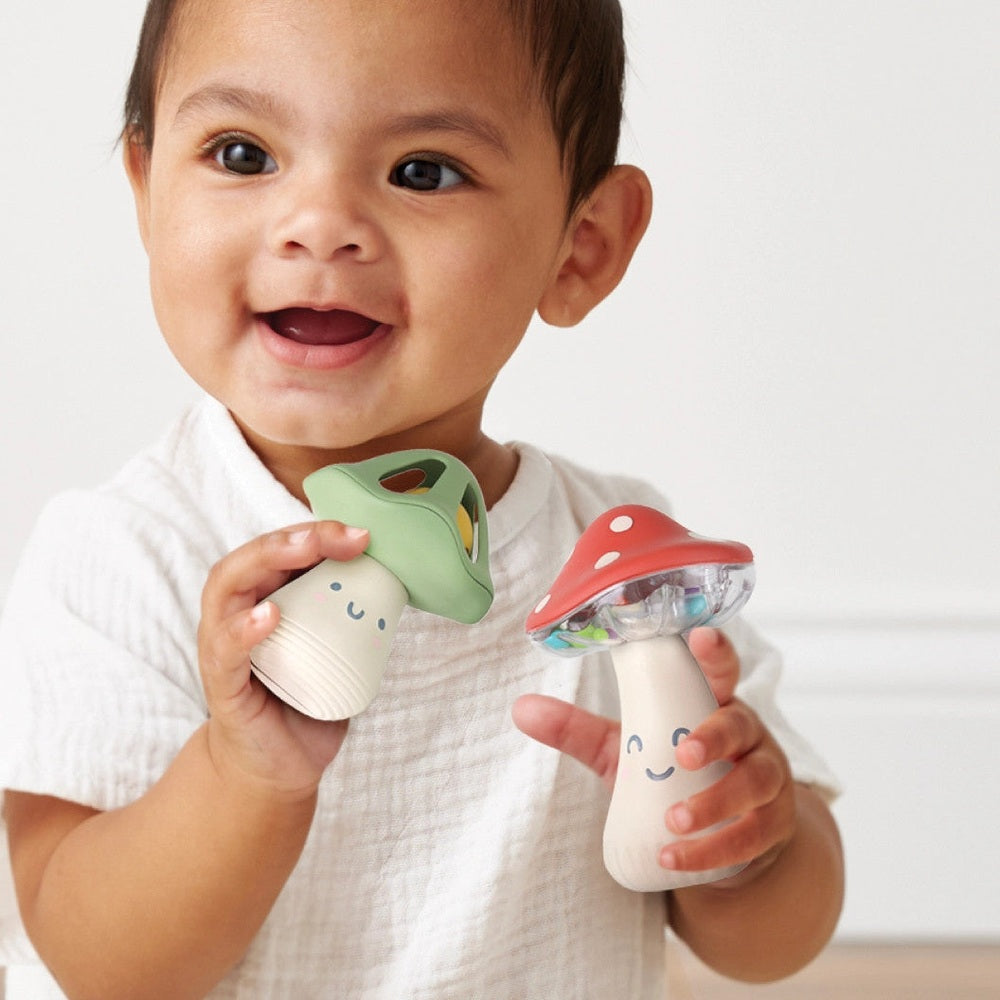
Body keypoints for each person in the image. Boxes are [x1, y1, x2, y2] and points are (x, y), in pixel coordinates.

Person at [0, 0, 844, 996]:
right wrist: (244, 774)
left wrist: (741, 846)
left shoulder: (625, 575)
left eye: (423, 171)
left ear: (581, 247)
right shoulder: (124, 555)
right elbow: (100, 964)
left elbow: (772, 944)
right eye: (242, 155)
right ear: (147, 191)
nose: (320, 225)